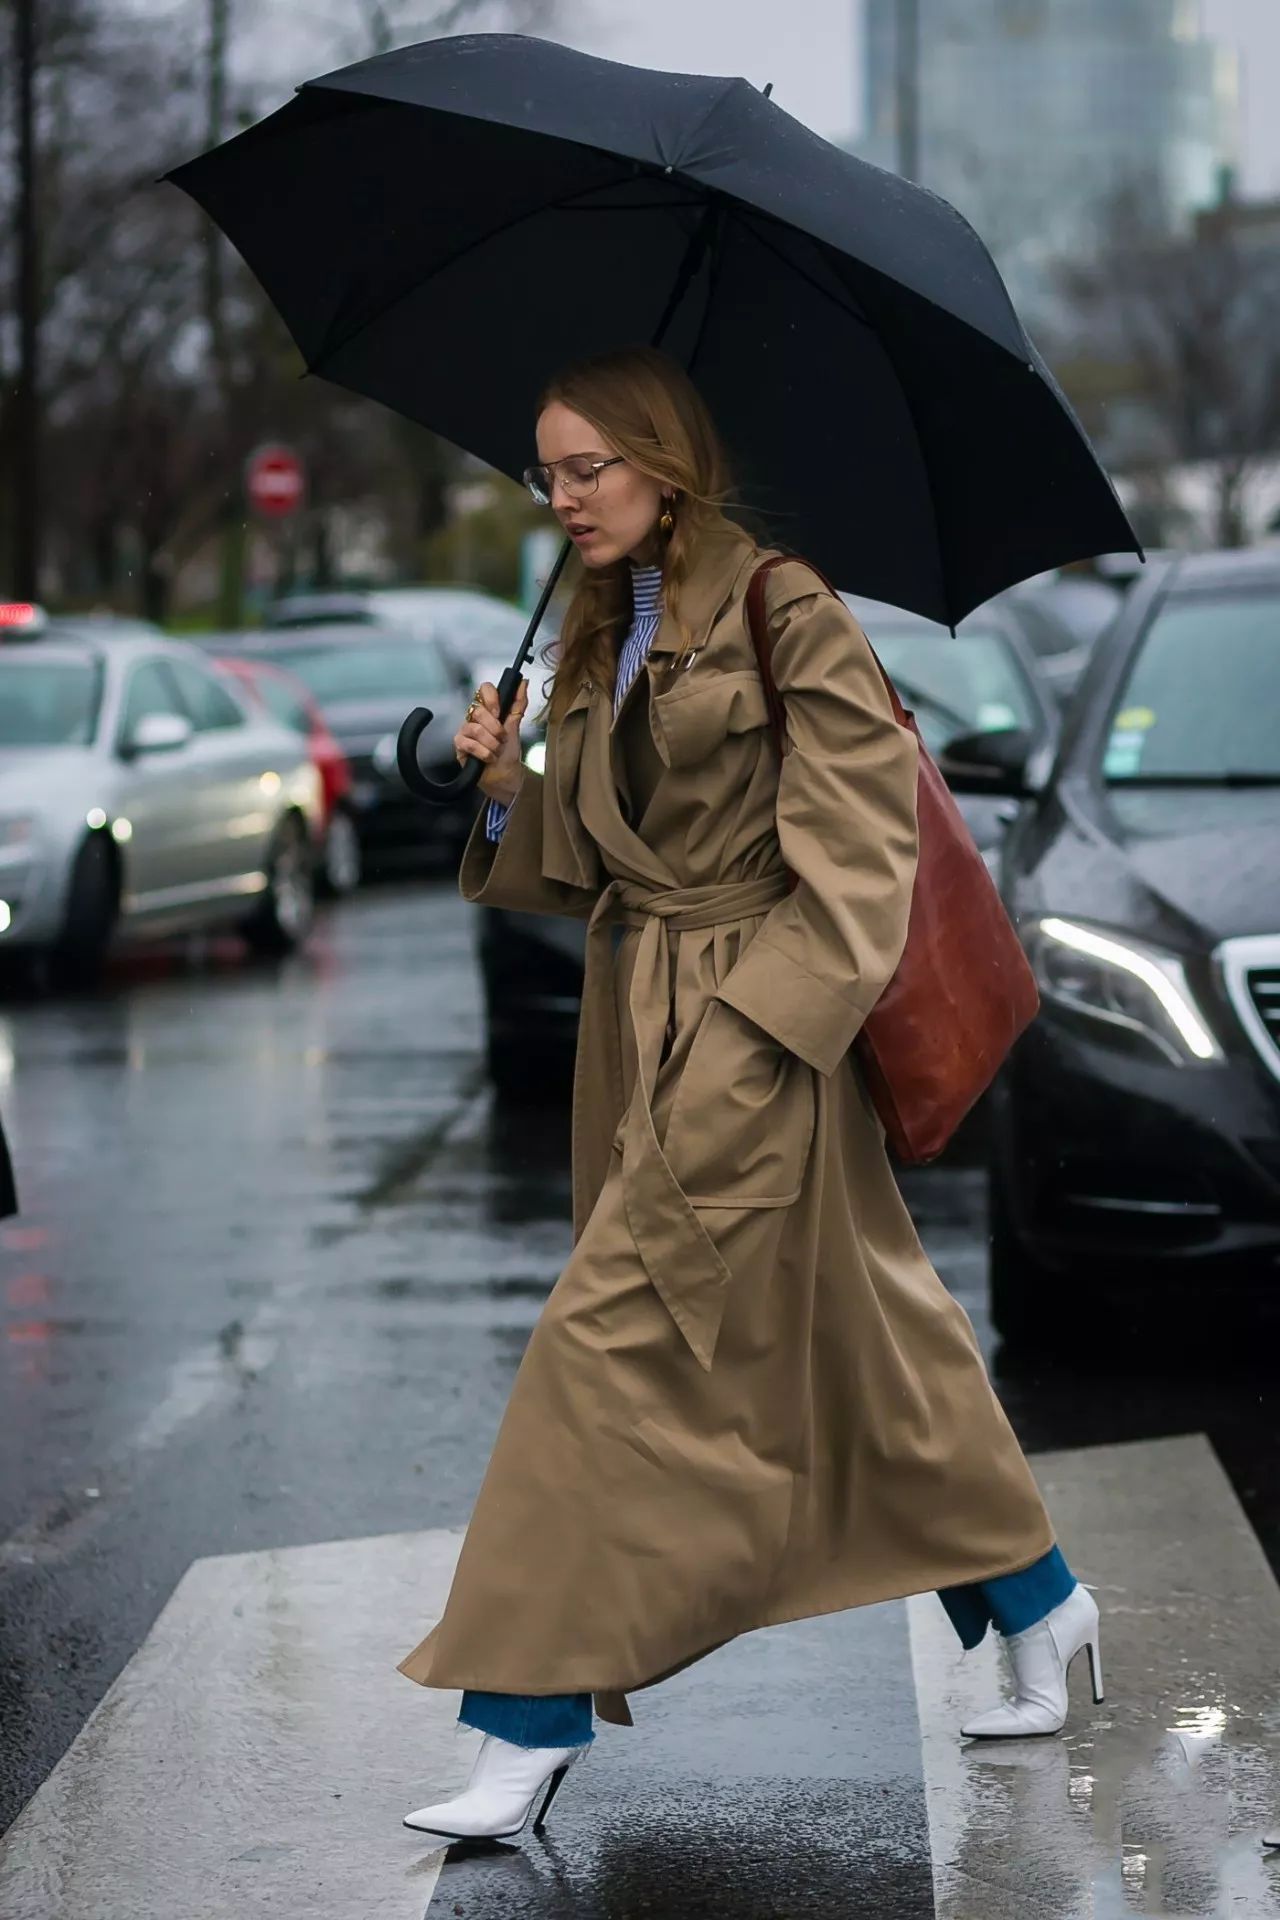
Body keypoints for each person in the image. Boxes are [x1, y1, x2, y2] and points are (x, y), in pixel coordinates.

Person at [397, 345, 1102, 1844]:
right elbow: (596, 861)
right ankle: (1041, 1602)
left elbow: (860, 867)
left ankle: (522, 1724)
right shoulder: (599, 628)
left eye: (590, 466)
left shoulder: (787, 607)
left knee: (601, 1355)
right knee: (867, 1349)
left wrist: (748, 1046)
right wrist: (509, 777)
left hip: (755, 1042)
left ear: (665, 460)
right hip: (637, 1025)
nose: (565, 497)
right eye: (548, 471)